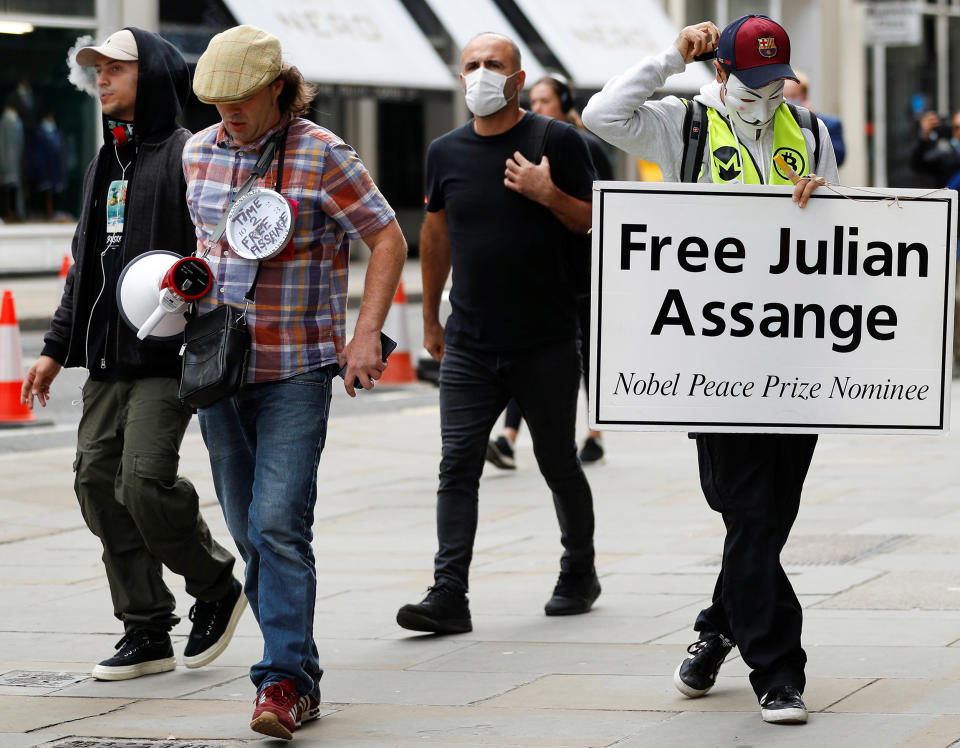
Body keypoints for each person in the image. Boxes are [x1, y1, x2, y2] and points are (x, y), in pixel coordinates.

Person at [583, 14, 839, 725]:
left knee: (764, 514)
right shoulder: (682, 125)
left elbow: (843, 231)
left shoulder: (808, 131)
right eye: (752, 82)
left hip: (793, 354)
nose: (767, 96)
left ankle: (743, 646)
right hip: (712, 358)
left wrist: (822, 203)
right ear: (722, 72)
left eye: (775, 82)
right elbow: (602, 113)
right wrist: (672, 56)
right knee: (741, 507)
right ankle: (751, 649)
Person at [182, 24, 406, 741]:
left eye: (242, 98)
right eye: (218, 101)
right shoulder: (198, 153)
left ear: (279, 86)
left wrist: (365, 334)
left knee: (278, 523)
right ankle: (298, 667)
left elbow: (387, 237)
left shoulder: (324, 154)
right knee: (252, 531)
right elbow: (203, 249)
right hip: (219, 367)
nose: (229, 113)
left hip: (297, 369)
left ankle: (281, 682)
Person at [20, 28, 244, 682]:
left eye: (115, 69)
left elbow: (220, 250)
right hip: (106, 360)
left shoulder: (189, 156)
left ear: (150, 77)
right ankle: (146, 628)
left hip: (167, 359)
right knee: (95, 481)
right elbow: (83, 268)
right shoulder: (103, 163)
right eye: (97, 70)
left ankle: (216, 583)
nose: (101, 79)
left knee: (142, 481)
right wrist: (55, 349)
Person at [396, 32, 600, 636]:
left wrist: (548, 193)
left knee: (557, 459)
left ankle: (579, 571)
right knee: (456, 463)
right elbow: (435, 235)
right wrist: (431, 316)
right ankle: (448, 593)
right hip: (470, 341)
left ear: (517, 80)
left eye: (494, 66)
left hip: (546, 338)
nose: (481, 74)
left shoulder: (556, 140)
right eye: (472, 66)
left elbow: (599, 221)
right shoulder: (445, 151)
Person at [486, 73, 614, 470]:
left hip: (584, 271)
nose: (537, 107)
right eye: (533, 100)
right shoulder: (527, 147)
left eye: (544, 101)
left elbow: (609, 205)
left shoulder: (586, 144)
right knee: (524, 352)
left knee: (588, 352)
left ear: (563, 102)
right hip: (537, 271)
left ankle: (594, 431)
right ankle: (508, 437)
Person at [910, 110, 960, 373]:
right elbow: (918, 163)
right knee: (950, 298)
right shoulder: (947, 156)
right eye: (956, 128)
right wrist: (924, 136)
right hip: (952, 236)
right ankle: (950, 354)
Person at [783, 72, 845, 166]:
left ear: (804, 96)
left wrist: (810, 122)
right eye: (784, 97)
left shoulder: (830, 124)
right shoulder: (776, 123)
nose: (788, 101)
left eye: (794, 96)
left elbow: (838, 159)